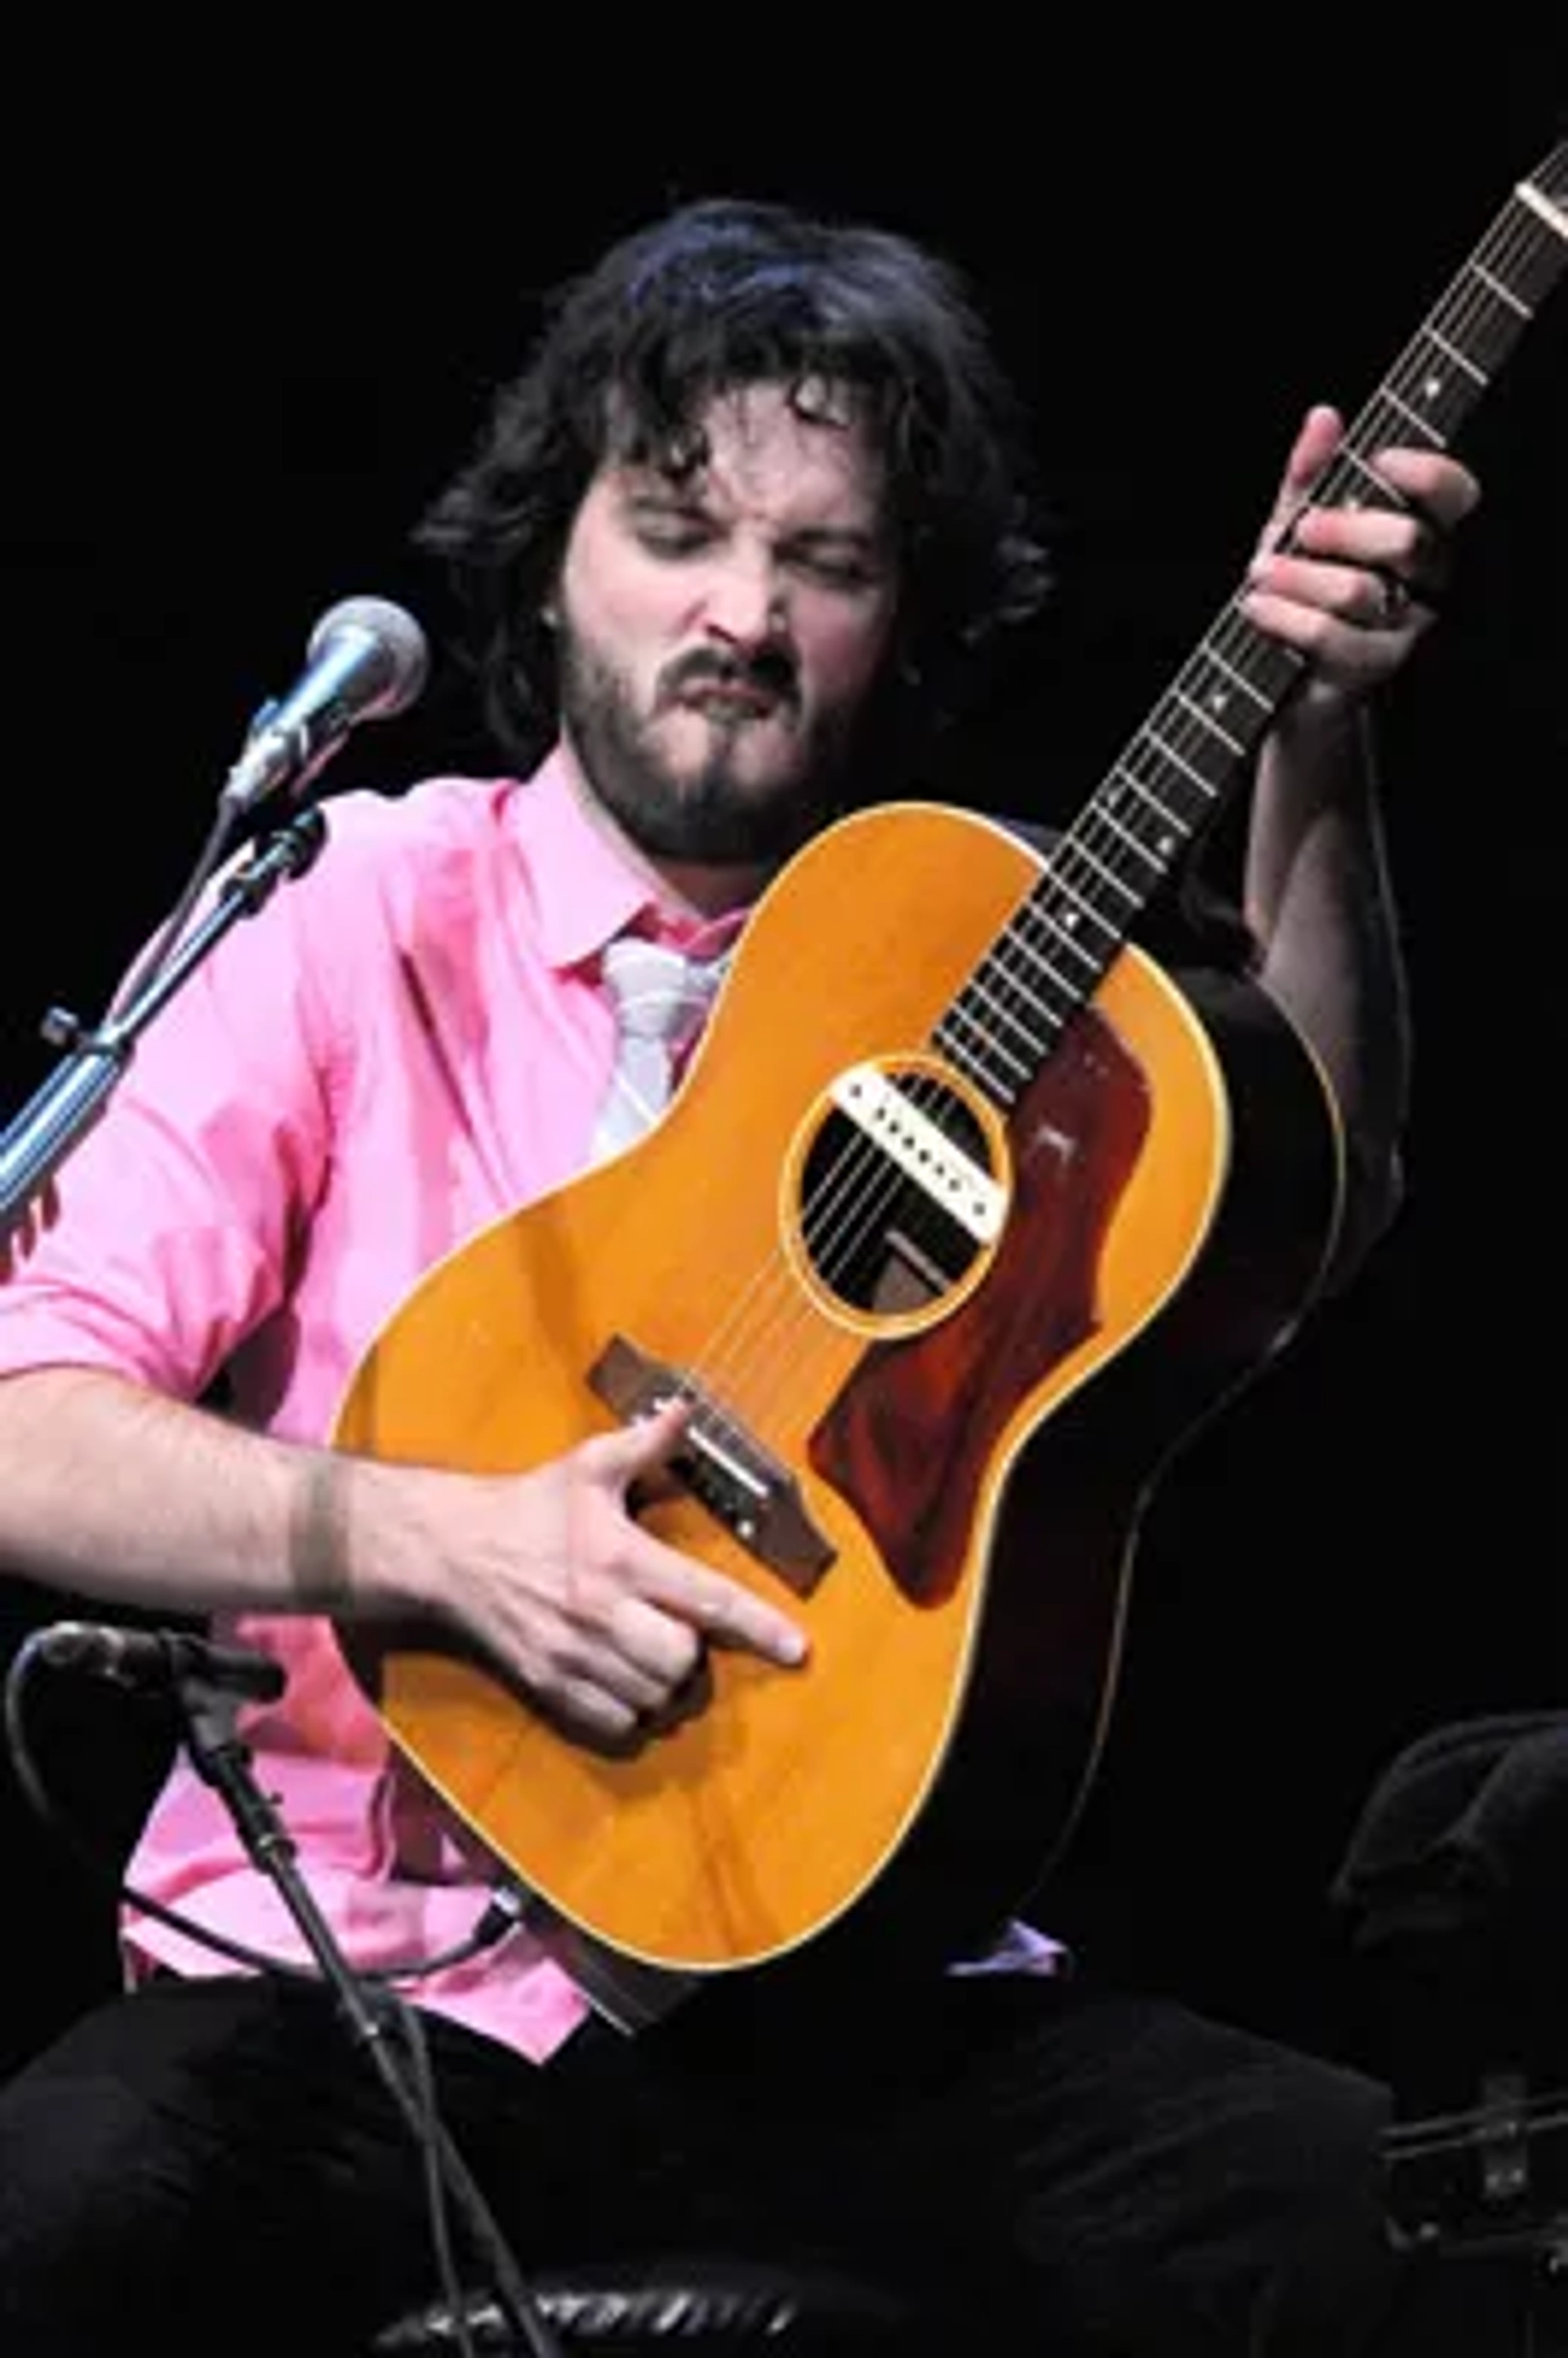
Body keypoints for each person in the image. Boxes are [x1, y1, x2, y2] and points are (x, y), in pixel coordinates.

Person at [0, 194, 1483, 2356]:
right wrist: (440, 1542)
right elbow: (22, 1410)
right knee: (45, 2222)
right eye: (678, 527)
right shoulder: (351, 912)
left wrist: (1319, 749)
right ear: (555, 547)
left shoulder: (966, 964)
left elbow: (1303, 1200)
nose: (743, 614)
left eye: (831, 561)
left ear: (907, 614)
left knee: (1401, 2235)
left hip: (846, 1998)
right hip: (344, 1984)